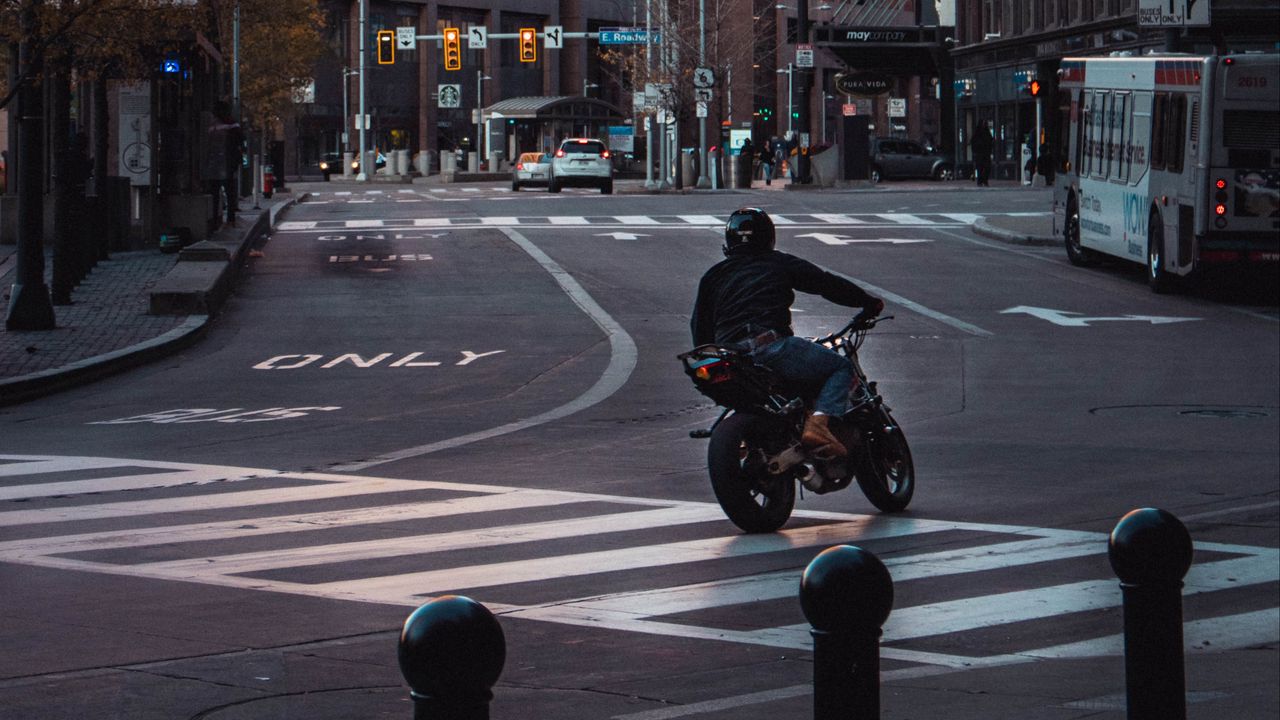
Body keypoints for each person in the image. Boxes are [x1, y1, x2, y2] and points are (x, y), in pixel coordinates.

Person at [691, 208, 885, 457]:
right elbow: (825, 284)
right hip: (770, 348)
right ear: (769, 237)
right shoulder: (777, 262)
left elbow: (700, 326)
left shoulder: (713, 276)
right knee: (841, 368)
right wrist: (867, 302)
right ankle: (818, 425)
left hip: (730, 356)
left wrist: (709, 353)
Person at [971, 120, 993, 187]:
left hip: (986, 154)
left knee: (987, 168)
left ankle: (985, 181)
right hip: (979, 154)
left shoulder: (987, 133)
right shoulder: (977, 134)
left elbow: (990, 141)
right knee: (980, 168)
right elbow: (973, 142)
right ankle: (980, 181)